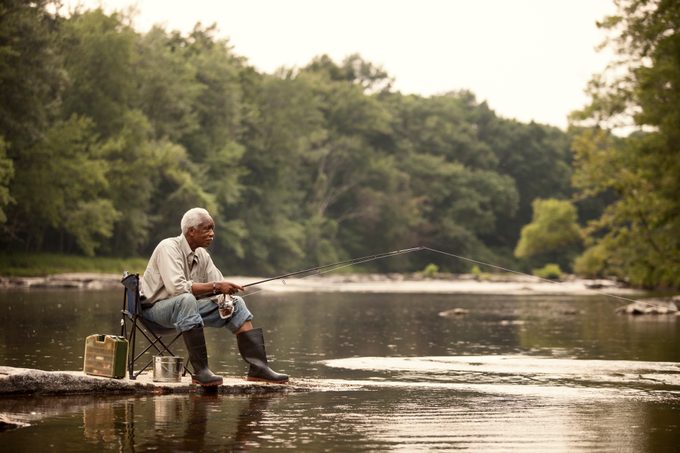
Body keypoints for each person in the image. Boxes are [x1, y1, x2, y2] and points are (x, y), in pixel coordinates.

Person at [140, 207, 288, 386]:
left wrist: (226, 297)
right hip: (154, 312)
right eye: (207, 229)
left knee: (237, 303)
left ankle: (259, 369)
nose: (212, 234)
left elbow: (218, 283)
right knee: (186, 299)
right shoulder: (168, 247)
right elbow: (177, 288)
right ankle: (201, 372)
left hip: (185, 311)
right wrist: (217, 287)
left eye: (213, 229)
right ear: (191, 231)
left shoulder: (202, 255)